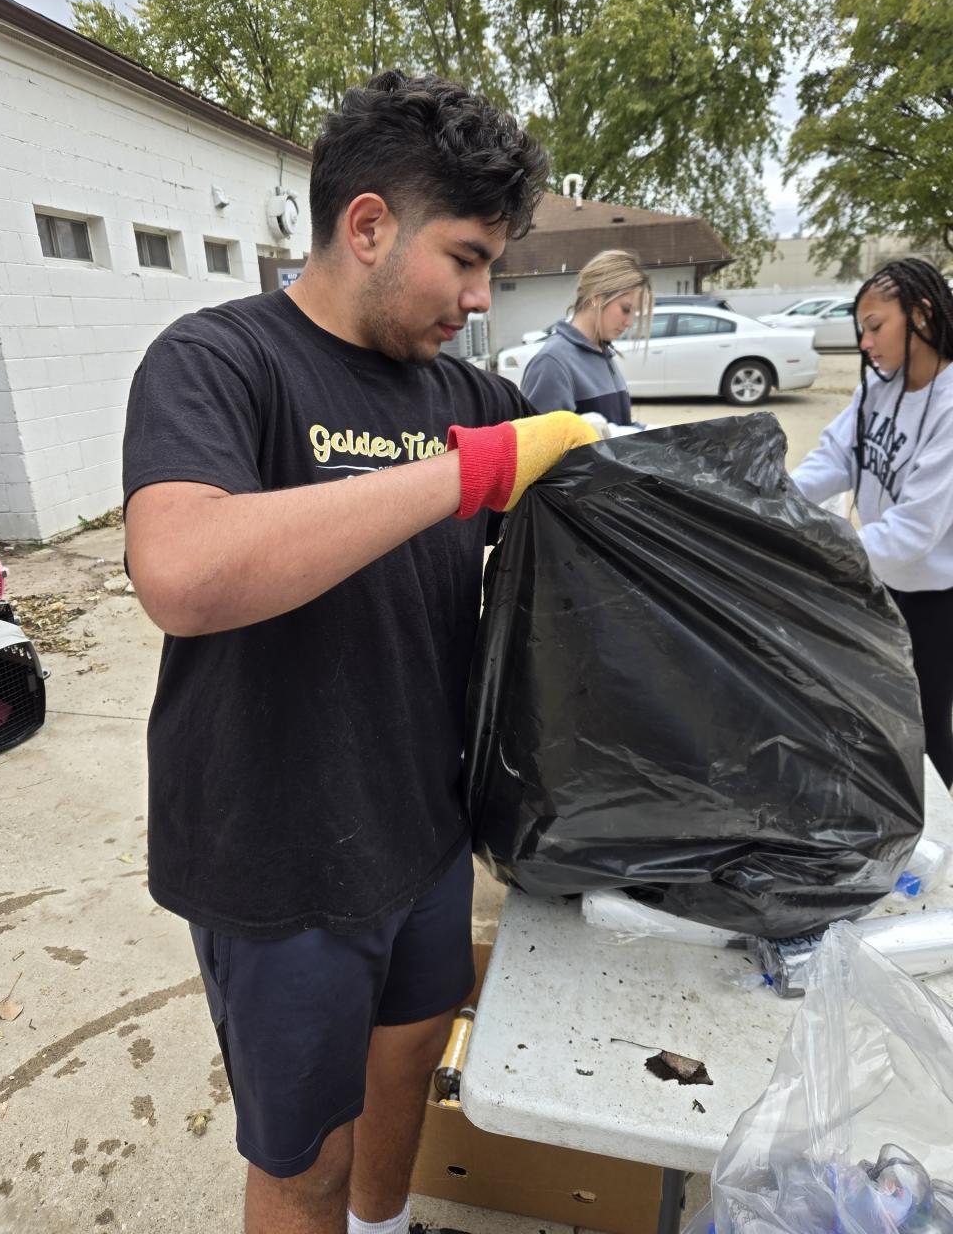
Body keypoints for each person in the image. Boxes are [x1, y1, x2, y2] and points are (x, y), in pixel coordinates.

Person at [122, 71, 597, 1234]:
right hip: (276, 854)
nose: (480, 300)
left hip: (422, 829)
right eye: (467, 259)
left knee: (406, 1071)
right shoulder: (220, 359)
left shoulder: (464, 392)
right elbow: (181, 570)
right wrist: (469, 472)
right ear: (370, 225)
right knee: (305, 1164)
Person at [792, 257, 953, 787]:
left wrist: (820, 552)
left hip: (934, 599)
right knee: (878, 715)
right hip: (881, 581)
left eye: (875, 326)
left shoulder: (950, 405)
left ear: (922, 314)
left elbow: (914, 531)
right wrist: (772, 506)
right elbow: (834, 458)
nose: (865, 343)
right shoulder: (880, 387)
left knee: (926, 729)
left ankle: (937, 826)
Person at [520, 248, 653, 426]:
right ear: (597, 297)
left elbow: (619, 427)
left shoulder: (603, 353)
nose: (630, 322)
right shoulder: (552, 363)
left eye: (634, 313)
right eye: (626, 309)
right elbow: (542, 440)